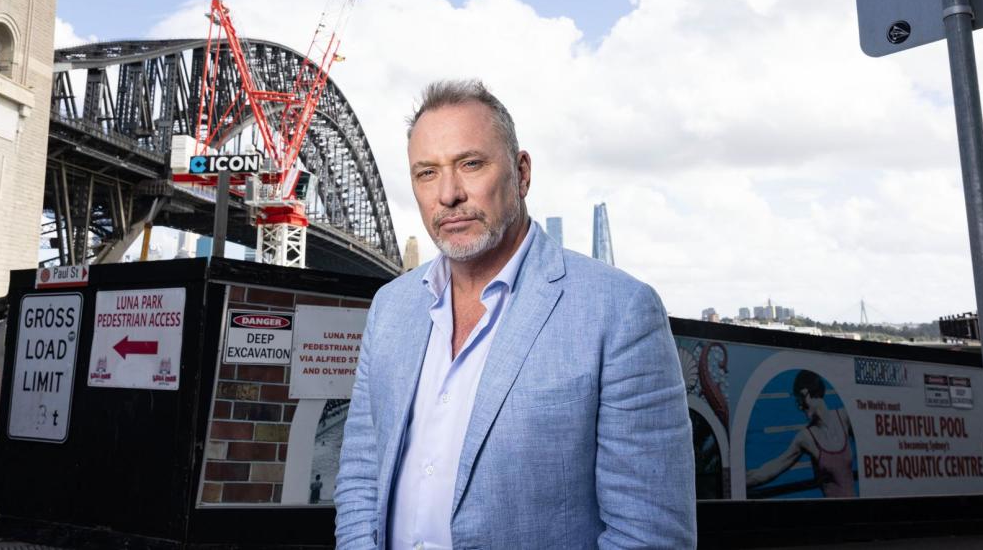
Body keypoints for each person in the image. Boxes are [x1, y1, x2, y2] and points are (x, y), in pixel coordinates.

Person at [335, 80, 695, 549]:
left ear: (521, 173)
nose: (448, 194)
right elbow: (363, 475)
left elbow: (649, 534)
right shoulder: (391, 307)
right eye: (427, 173)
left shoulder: (618, 313)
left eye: (470, 164)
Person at [745, 370, 856, 497]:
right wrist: (739, 480)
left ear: (806, 393)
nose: (799, 407)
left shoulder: (845, 418)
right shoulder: (806, 438)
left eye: (799, 400)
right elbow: (772, 469)